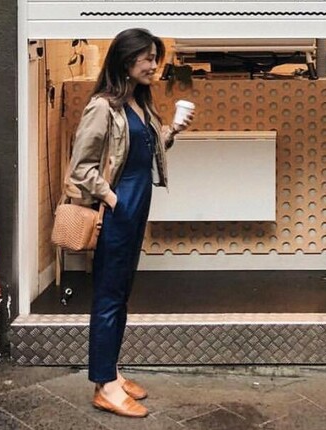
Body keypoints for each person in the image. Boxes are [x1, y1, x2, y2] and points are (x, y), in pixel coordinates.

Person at [64, 28, 193, 418]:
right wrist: (114, 199)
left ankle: (112, 374)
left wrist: (172, 130)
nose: (154, 65)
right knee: (107, 295)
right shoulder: (102, 107)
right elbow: (81, 168)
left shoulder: (139, 103)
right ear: (125, 59)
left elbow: (141, 151)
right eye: (147, 58)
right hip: (118, 210)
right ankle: (104, 386)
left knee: (120, 295)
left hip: (137, 207)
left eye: (156, 57)